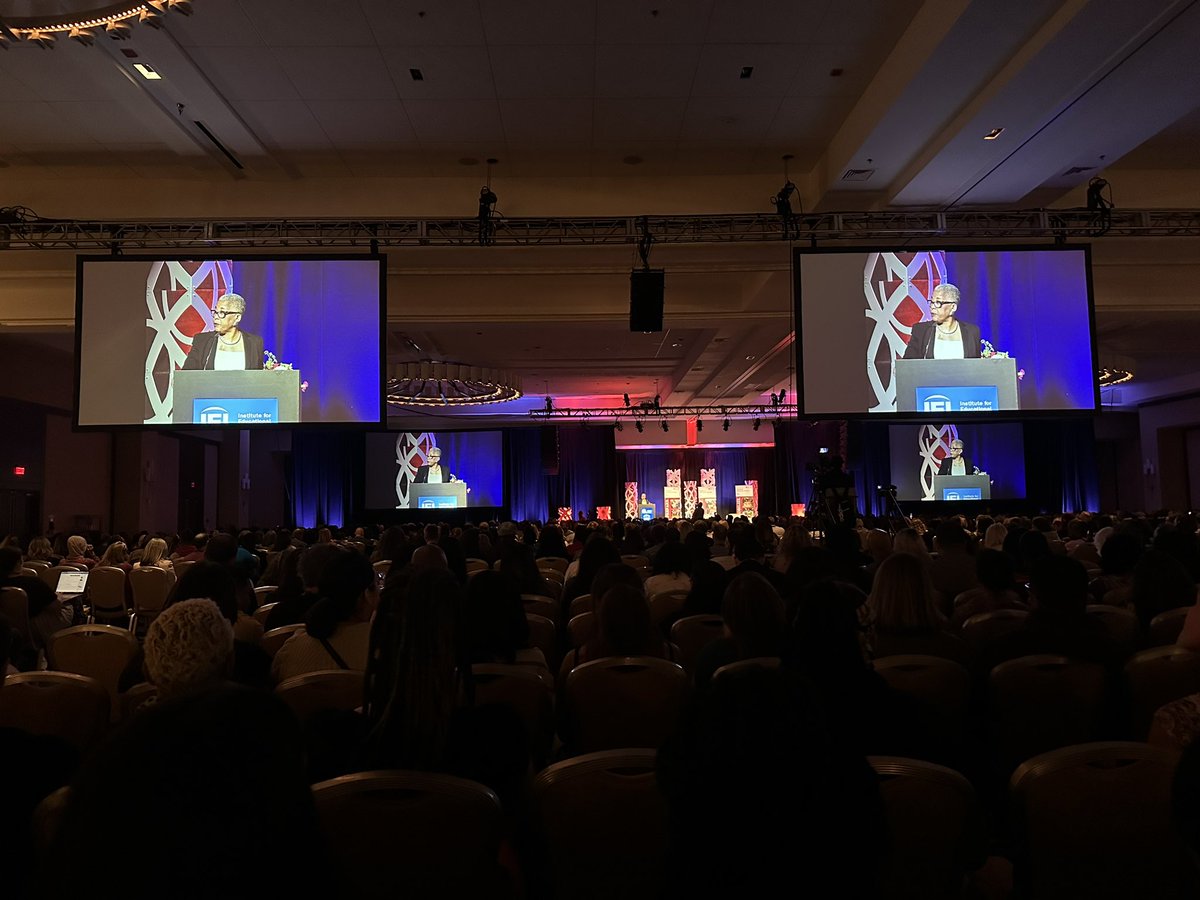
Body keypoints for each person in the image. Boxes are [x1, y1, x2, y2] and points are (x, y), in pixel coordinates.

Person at [181, 293, 265, 370]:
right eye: (215, 312)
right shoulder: (202, 341)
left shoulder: (254, 342)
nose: (216, 317)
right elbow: (186, 376)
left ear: (237, 317)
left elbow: (257, 378)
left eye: (222, 312)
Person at [902, 283, 981, 360]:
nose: (932, 307)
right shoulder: (921, 331)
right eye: (932, 302)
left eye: (938, 303)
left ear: (953, 307)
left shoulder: (972, 332)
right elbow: (907, 366)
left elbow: (976, 367)